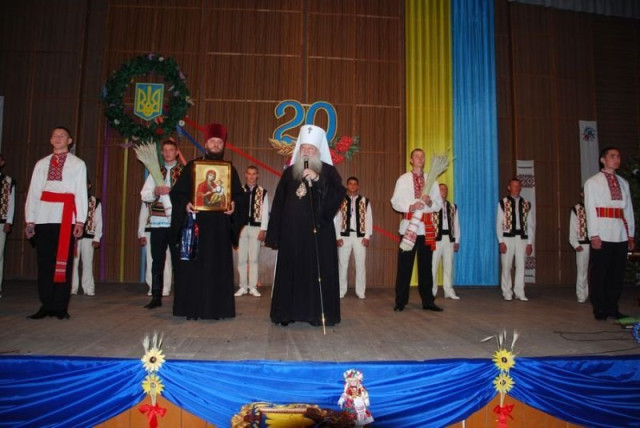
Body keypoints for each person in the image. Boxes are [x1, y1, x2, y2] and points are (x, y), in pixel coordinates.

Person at [265, 124, 346, 327]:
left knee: (315, 273)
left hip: (318, 236)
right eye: (304, 148)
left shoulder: (328, 172)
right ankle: (286, 313)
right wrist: (275, 234)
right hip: (291, 235)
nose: (307, 152)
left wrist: (318, 179)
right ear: (299, 149)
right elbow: (279, 203)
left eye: (311, 149)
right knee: (290, 273)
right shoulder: (290, 173)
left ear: (318, 151)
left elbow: (337, 195)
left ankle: (315, 314)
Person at [170, 123, 247, 320]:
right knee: (194, 269)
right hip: (196, 227)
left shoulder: (229, 170)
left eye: (219, 142)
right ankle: (192, 309)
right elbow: (177, 193)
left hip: (220, 230)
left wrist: (233, 206)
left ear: (223, 145)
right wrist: (186, 204)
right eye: (212, 141)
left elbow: (239, 197)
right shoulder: (193, 167)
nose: (216, 145)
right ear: (205, 144)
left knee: (217, 269)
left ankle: (217, 309)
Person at [24, 126, 87, 319]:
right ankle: (46, 304)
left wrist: (80, 221)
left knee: (64, 263)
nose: (58, 138)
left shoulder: (78, 164)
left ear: (70, 140)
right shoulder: (41, 164)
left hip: (65, 218)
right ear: (51, 140)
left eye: (62, 135)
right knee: (45, 263)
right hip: (43, 217)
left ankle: (60, 306)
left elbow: (81, 193)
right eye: (55, 136)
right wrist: (30, 220)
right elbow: (33, 192)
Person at [390, 148, 443, 312]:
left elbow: (438, 205)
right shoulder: (403, 179)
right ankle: (400, 301)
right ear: (411, 160)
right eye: (417, 156)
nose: (420, 159)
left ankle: (428, 301)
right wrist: (411, 206)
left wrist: (429, 202)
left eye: (422, 156)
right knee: (404, 266)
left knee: (426, 266)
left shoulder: (432, 180)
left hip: (425, 229)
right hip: (409, 227)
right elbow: (395, 202)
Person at [584, 147, 634, 320]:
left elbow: (628, 210)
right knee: (600, 272)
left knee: (617, 273)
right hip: (602, 232)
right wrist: (594, 234)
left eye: (618, 156)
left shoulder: (624, 183)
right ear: (603, 160)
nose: (616, 159)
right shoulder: (593, 182)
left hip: (620, 233)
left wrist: (630, 234)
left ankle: (613, 306)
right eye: (612, 156)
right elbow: (590, 210)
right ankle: (599, 308)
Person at [140, 139, 184, 309]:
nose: (167, 153)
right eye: (164, 150)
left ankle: (180, 298)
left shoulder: (183, 172)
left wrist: (172, 193)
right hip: (158, 223)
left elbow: (188, 195)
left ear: (177, 152)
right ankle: (156, 296)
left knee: (179, 261)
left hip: (177, 223)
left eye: (171, 150)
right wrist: (155, 191)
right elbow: (144, 195)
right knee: (157, 260)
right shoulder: (155, 171)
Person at [496, 177, 535, 301]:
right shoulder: (503, 203)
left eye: (518, 186)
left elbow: (530, 224)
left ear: (521, 188)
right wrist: (501, 241)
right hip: (508, 237)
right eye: (514, 186)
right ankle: (507, 291)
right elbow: (499, 224)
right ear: (509, 187)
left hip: (522, 238)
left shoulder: (526, 203)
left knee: (521, 265)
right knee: (506, 265)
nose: (516, 188)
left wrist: (530, 242)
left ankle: (519, 291)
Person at [334, 176, 372, 299]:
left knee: (360, 265)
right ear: (347, 185)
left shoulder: (365, 201)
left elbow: (369, 219)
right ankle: (341, 290)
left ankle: (360, 291)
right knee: (342, 264)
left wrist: (367, 236)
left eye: (355, 184)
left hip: (360, 237)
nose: (353, 186)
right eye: (350, 183)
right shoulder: (341, 201)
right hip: (344, 236)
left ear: (358, 186)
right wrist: (337, 236)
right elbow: (337, 219)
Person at [235, 165, 269, 297]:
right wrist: (235, 228)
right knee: (242, 259)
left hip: (256, 228)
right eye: (249, 173)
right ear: (245, 175)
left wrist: (263, 229)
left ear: (257, 175)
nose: (251, 176)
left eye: (254, 174)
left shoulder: (263, 192)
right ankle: (243, 286)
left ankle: (253, 287)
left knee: (254, 259)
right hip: (241, 228)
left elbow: (265, 212)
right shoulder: (238, 191)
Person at [71, 180, 102, 296]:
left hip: (89, 236)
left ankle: (88, 288)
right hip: (73, 236)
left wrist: (97, 237)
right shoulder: (72, 199)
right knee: (73, 263)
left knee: (88, 263)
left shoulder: (95, 201)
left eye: (85, 184)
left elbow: (99, 221)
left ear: (89, 186)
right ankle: (72, 288)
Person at [431, 183, 460, 299]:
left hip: (449, 238)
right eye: (441, 189)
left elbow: (456, 224)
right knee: (433, 266)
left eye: (445, 189)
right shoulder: (432, 205)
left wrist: (457, 240)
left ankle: (448, 290)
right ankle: (432, 291)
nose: (444, 191)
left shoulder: (452, 206)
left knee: (449, 266)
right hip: (435, 239)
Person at [137, 202, 172, 296]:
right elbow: (143, 215)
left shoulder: (168, 197)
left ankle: (165, 287)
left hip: (165, 229)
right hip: (150, 230)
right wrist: (141, 234)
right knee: (150, 259)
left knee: (165, 259)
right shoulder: (147, 198)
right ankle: (153, 286)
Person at [569, 191, 589, 303]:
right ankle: (582, 295)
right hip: (583, 243)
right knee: (582, 270)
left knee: (599, 270)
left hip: (597, 243)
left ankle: (598, 294)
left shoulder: (596, 207)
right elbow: (572, 227)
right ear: (581, 194)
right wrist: (575, 243)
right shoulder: (576, 209)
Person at [0, 154, 16, 299]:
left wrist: (9, 221)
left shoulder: (8, 181)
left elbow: (11, 203)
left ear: (2, 162)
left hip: (1, 221)